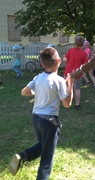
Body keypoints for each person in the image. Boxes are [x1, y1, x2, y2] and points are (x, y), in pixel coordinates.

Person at [9, 47, 74, 179]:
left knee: (43, 145)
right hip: (49, 121)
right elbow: (67, 104)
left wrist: (35, 91)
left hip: (36, 119)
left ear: (42, 64)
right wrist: (70, 86)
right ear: (59, 61)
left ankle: (22, 156)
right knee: (47, 157)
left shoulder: (38, 77)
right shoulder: (59, 80)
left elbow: (24, 92)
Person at [63, 34, 88, 110]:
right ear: (83, 44)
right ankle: (77, 104)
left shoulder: (70, 50)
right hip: (77, 73)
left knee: (68, 88)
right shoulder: (84, 53)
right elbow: (85, 64)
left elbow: (64, 59)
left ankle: (67, 102)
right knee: (77, 89)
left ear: (75, 43)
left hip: (68, 73)